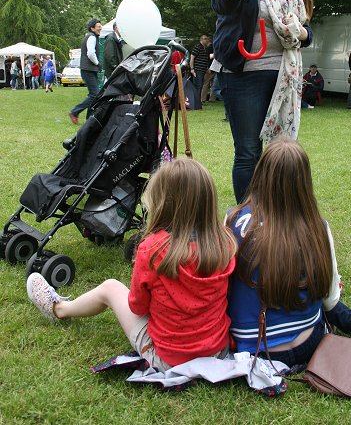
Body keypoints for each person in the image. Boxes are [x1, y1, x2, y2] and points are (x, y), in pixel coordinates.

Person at [26, 158, 236, 371]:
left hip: (167, 359)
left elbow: (137, 306)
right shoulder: (225, 243)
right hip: (217, 352)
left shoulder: (152, 248)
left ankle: (59, 309)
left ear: (162, 201)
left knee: (110, 288)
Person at [226, 137, 351, 368]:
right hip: (308, 343)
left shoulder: (232, 218)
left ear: (260, 174)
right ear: (304, 182)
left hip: (249, 346)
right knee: (325, 303)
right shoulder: (318, 226)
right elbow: (330, 297)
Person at [211, 0, 313, 202]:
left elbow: (305, 29)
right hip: (243, 76)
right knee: (248, 150)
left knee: (282, 151)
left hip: (283, 76)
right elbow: (220, 2)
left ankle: (276, 213)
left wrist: (302, 34)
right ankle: (247, 216)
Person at [69, 18, 102, 125]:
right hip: (88, 69)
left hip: (88, 69)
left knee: (94, 95)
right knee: (94, 95)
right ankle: (75, 112)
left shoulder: (91, 37)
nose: (100, 27)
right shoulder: (92, 37)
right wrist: (97, 63)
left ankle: (89, 118)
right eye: (98, 26)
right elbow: (91, 53)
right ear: (92, 28)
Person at [201, 38, 216, 103]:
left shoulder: (209, 48)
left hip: (210, 68)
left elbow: (208, 58)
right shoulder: (215, 47)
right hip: (215, 68)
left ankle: (203, 98)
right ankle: (212, 98)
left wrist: (207, 67)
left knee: (206, 83)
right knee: (213, 84)